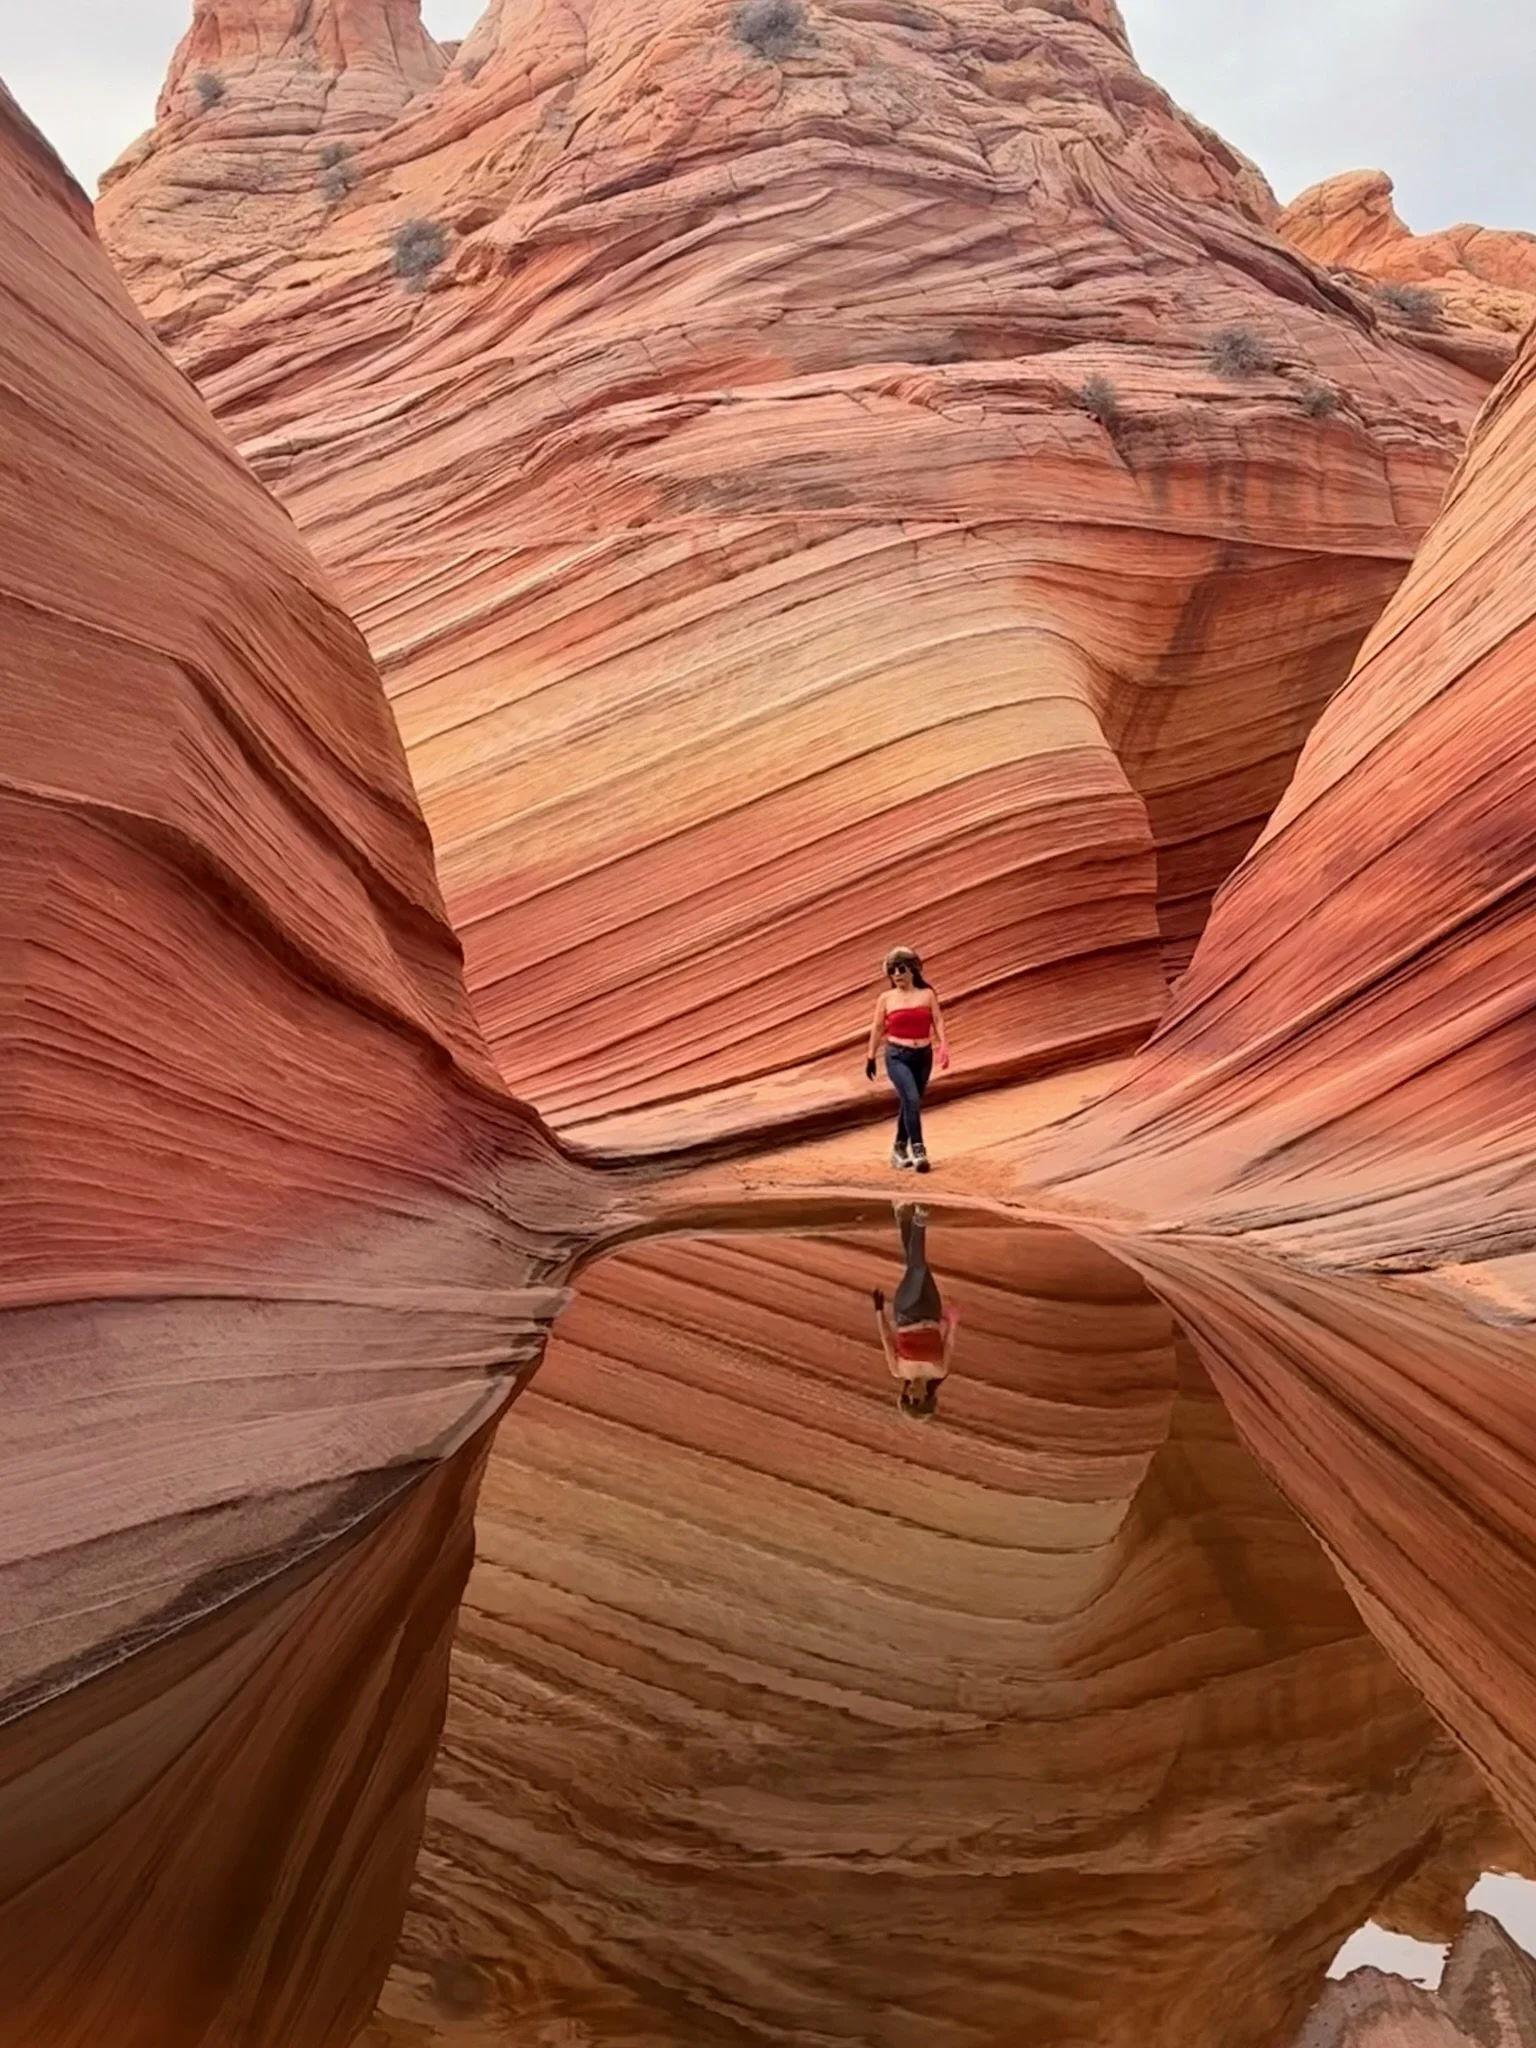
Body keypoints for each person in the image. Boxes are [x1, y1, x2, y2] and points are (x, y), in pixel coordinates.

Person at [864, 945, 948, 1171]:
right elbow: (878, 1027)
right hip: (896, 1055)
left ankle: (898, 1149)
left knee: (910, 1102)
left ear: (913, 970)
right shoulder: (886, 998)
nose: (897, 974)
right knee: (911, 1098)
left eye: (901, 968)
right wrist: (871, 1056)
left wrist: (943, 1047)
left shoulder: (927, 994)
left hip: (923, 1055)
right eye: (892, 971)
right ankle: (919, 1151)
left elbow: (937, 1020)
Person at [872, 1203, 957, 1417]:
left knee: (916, 1269)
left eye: (906, 1397)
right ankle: (904, 1219)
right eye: (915, 1399)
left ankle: (920, 1219)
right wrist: (953, 1322)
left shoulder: (898, 1370)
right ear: (927, 1397)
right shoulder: (940, 1370)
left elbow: (886, 1340)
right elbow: (948, 1342)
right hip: (931, 1311)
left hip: (906, 1313)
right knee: (919, 1267)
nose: (910, 1393)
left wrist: (879, 1310)